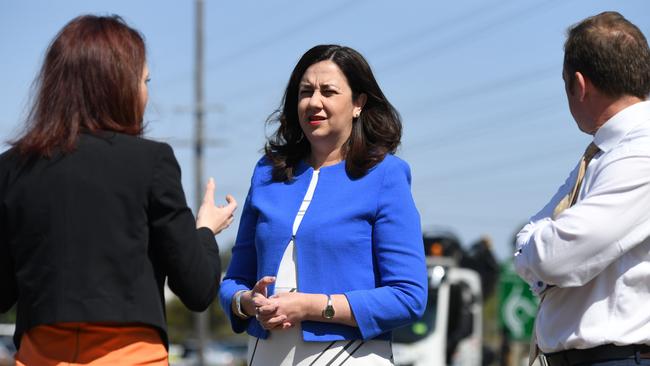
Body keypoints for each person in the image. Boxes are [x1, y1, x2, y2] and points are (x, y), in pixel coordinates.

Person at [0, 15, 237, 365]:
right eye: (144, 81)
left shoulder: (12, 168)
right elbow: (198, 288)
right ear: (118, 86)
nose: (145, 93)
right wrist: (205, 229)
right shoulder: (150, 161)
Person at [219, 44, 427, 365]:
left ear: (358, 103)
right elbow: (234, 281)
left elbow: (408, 296)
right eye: (306, 91)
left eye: (328, 91)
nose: (314, 102)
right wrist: (247, 302)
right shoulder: (266, 173)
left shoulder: (386, 175)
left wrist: (312, 307)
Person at [514, 11, 650, 366]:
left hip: (617, 358)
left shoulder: (640, 153)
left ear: (579, 84)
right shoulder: (603, 153)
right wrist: (538, 251)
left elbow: (554, 257)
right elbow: (532, 237)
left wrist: (536, 256)